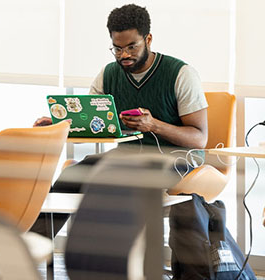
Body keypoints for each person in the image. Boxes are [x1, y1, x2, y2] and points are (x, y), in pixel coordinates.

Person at [31, 4, 208, 237]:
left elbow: (199, 139)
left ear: (148, 39)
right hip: (128, 158)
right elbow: (90, 123)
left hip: (177, 160)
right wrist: (58, 125)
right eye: (117, 49)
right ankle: (31, 250)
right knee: (71, 177)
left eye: (131, 47)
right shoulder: (108, 74)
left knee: (122, 183)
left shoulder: (181, 74)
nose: (124, 55)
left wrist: (154, 125)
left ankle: (119, 263)